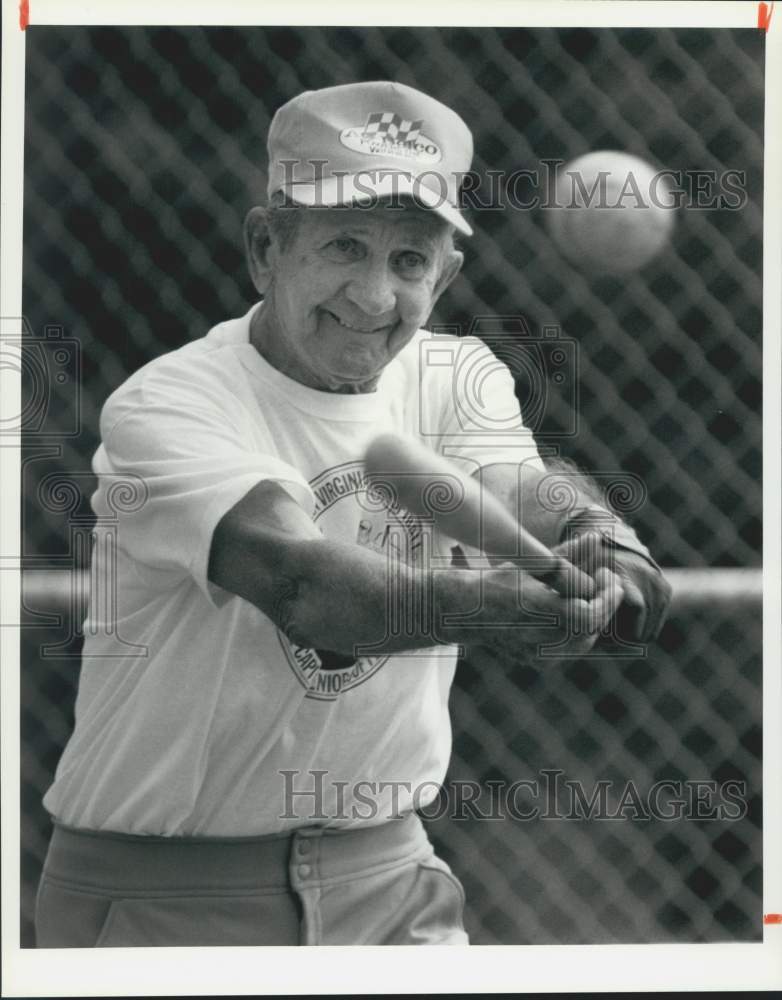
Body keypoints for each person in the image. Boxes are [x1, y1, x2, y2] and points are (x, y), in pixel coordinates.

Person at [35, 81, 671, 947]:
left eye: (409, 260)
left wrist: (599, 536)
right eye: (344, 245)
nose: (374, 297)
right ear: (266, 247)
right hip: (166, 895)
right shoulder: (169, 405)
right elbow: (313, 592)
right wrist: (512, 612)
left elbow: (524, 484)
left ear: (444, 274)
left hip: (390, 878)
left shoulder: (459, 374)